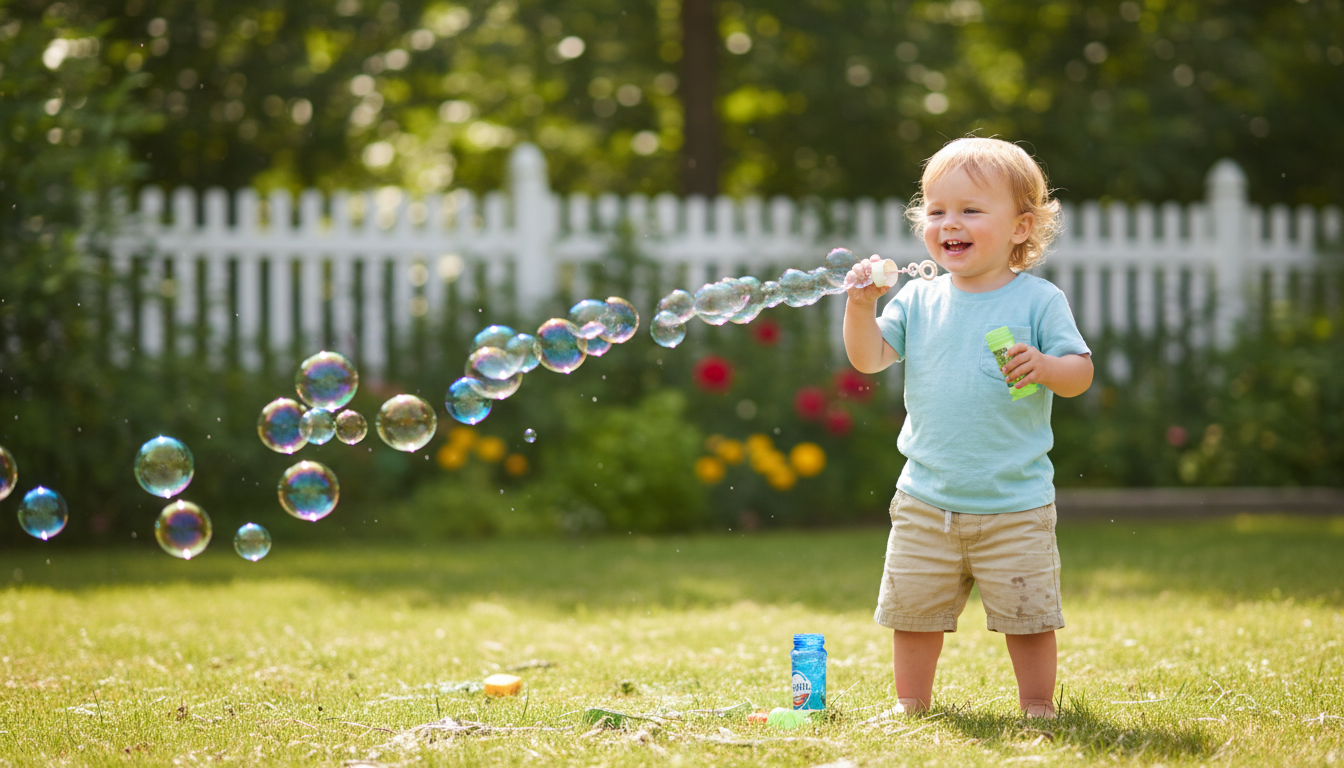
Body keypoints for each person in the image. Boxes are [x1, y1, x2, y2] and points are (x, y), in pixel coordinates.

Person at [843, 137, 1094, 720]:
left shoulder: (1039, 300)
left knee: (1028, 618)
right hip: (926, 499)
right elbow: (869, 358)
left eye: (970, 210)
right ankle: (911, 705)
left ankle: (1038, 706)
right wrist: (860, 307)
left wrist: (1046, 366)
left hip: (1016, 501)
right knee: (913, 615)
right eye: (936, 211)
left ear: (1021, 227)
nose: (949, 223)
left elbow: (1079, 374)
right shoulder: (917, 299)